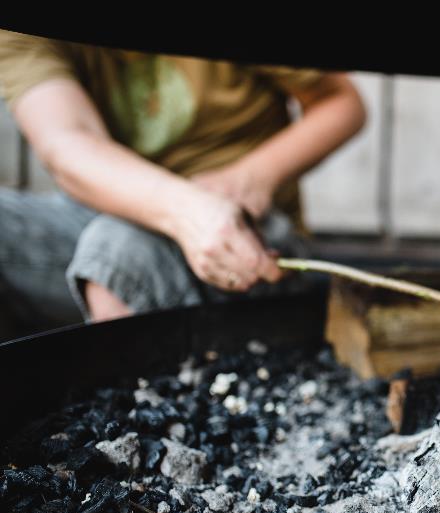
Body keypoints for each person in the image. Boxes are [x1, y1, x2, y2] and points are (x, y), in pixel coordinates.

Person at [0, 29, 366, 332]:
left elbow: (342, 102)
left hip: (250, 230)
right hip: (113, 210)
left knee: (117, 256)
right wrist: (186, 210)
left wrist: (251, 177)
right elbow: (67, 142)